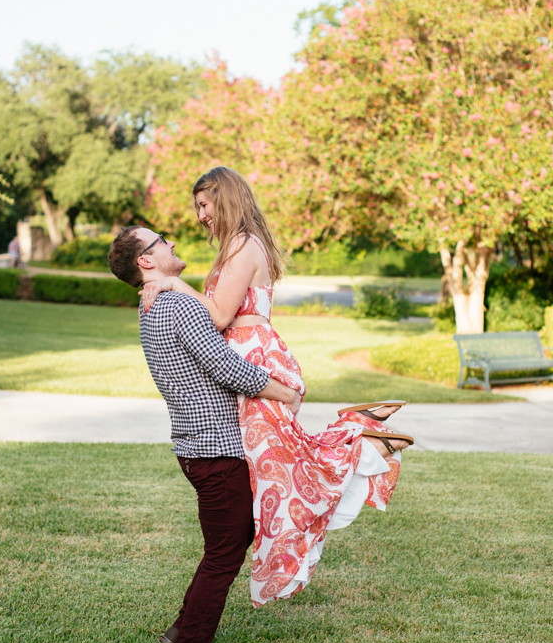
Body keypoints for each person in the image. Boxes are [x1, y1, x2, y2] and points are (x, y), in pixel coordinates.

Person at [140, 167, 414, 608]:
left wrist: (172, 282)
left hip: (253, 356)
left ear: (224, 198)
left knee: (284, 467)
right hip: (251, 352)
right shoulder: (237, 245)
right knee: (282, 459)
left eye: (204, 205)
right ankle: (362, 435)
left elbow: (217, 316)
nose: (200, 216)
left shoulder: (243, 245)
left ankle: (364, 442)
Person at [107, 226, 302, 643]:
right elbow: (227, 367)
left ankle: (179, 633)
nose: (172, 243)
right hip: (215, 451)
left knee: (222, 546)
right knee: (225, 553)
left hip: (196, 448)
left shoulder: (154, 303)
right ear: (146, 262)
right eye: (161, 242)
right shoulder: (175, 305)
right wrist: (286, 393)